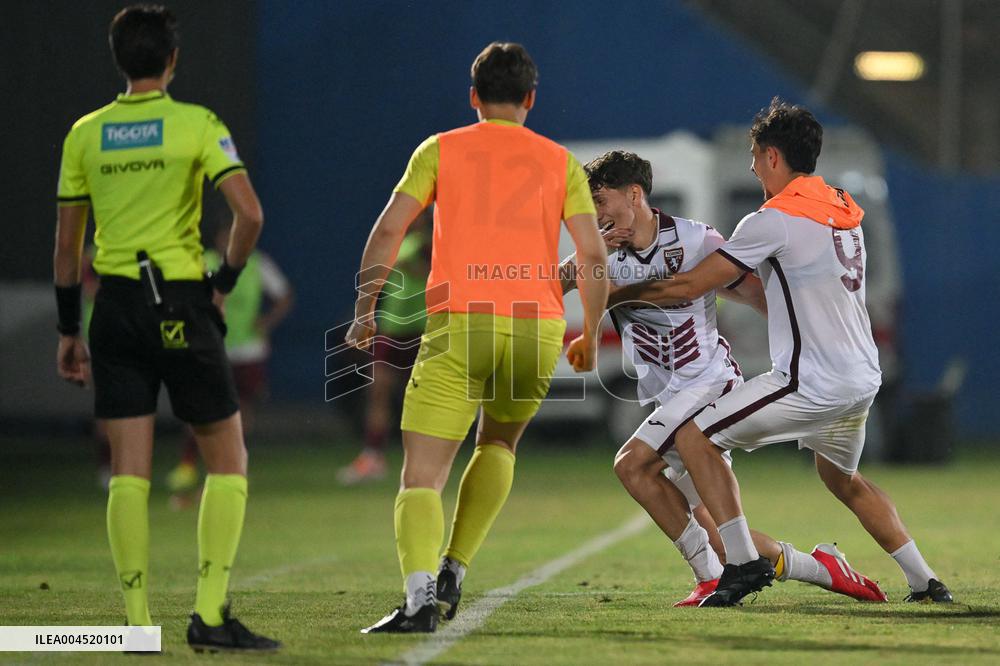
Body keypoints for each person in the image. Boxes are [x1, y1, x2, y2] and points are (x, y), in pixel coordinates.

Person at [608, 98, 952, 606]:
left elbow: (689, 287)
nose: (751, 166)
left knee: (695, 435)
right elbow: (761, 287)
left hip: (809, 380)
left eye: (754, 155)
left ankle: (743, 563)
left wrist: (614, 296)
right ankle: (926, 580)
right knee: (844, 480)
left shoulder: (771, 220)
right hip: (860, 377)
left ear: (772, 156)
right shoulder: (842, 207)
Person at [346, 42, 609, 633]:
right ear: (530, 100)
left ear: (473, 97)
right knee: (499, 445)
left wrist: (366, 309)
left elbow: (390, 229)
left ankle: (418, 600)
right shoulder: (559, 160)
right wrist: (589, 331)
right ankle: (455, 569)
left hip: (460, 321)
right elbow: (591, 253)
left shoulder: (439, 149)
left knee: (422, 476)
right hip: (536, 326)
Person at [53, 5, 280, 650]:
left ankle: (132, 626)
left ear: (119, 59)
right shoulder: (196, 125)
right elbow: (250, 216)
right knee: (227, 460)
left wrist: (71, 328)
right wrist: (225, 284)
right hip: (179, 303)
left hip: (114, 309)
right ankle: (209, 618)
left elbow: (68, 250)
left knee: (128, 470)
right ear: (172, 61)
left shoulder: (85, 134)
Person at [568, 150, 885, 606]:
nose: (593, 212)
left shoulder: (695, 240)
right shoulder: (602, 252)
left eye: (599, 199)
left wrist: (817, 341)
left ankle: (708, 579)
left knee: (631, 464)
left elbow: (758, 294)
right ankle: (821, 567)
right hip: (667, 396)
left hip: (709, 383)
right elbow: (554, 281)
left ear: (633, 194)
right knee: (718, 533)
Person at [167, 220, 295, 503]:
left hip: (249, 350)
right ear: (219, 239)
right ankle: (188, 464)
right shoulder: (206, 262)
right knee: (202, 408)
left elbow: (285, 296)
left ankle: (232, 469)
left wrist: (265, 322)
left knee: (241, 410)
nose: (232, 243)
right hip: (213, 349)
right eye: (228, 237)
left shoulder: (258, 263)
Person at [337, 213, 431, 485]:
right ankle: (373, 456)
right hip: (391, 327)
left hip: (422, 327)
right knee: (378, 391)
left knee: (419, 396)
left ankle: (423, 457)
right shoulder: (397, 241)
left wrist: (410, 265)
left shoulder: (427, 243)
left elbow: (433, 273)